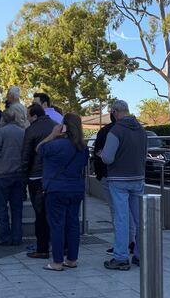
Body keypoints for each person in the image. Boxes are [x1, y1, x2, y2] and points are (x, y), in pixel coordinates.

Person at [99, 99, 148, 271]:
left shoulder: (116, 130)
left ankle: (120, 258)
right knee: (140, 219)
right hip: (138, 178)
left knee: (121, 218)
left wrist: (101, 154)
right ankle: (141, 255)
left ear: (114, 112)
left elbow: (108, 158)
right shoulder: (141, 130)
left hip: (118, 180)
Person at [37, 113, 89, 270]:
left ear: (64, 126)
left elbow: (39, 149)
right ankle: (72, 259)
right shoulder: (83, 148)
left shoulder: (56, 144)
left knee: (57, 225)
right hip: (76, 189)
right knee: (73, 223)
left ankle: (57, 262)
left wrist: (53, 134)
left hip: (56, 189)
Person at [93, 112, 135, 255]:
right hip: (135, 176)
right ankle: (134, 244)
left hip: (112, 177)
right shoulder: (137, 130)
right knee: (133, 213)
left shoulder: (108, 131)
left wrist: (100, 173)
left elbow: (102, 156)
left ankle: (122, 248)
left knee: (118, 213)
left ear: (113, 114)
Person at [21, 103, 58, 259]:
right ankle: (58, 246)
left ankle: (42, 248)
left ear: (34, 116)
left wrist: (23, 178)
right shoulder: (56, 126)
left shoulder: (31, 130)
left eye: (28, 116)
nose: (28, 119)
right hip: (55, 176)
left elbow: (26, 156)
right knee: (54, 213)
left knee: (40, 214)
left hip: (36, 176)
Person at [0, 106, 26, 246]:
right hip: (19, 174)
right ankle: (17, 236)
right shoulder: (23, 133)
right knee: (17, 207)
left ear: (2, 119)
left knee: (1, 207)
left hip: (2, 174)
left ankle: (5, 236)